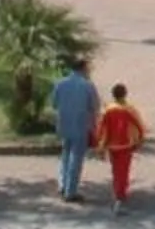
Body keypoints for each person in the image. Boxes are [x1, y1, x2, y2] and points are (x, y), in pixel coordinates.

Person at [91, 82, 148, 216]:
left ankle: (118, 190)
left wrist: (100, 145)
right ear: (125, 94)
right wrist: (140, 140)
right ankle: (120, 196)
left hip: (112, 145)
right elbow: (139, 126)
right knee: (124, 171)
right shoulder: (129, 109)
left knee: (116, 169)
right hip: (126, 145)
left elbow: (101, 128)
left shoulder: (108, 110)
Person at [49, 58, 99, 204]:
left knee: (65, 154)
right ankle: (70, 191)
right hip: (80, 125)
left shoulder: (60, 83)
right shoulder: (88, 85)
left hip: (64, 124)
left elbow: (53, 103)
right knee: (76, 158)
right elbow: (94, 106)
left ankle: (63, 184)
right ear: (83, 68)